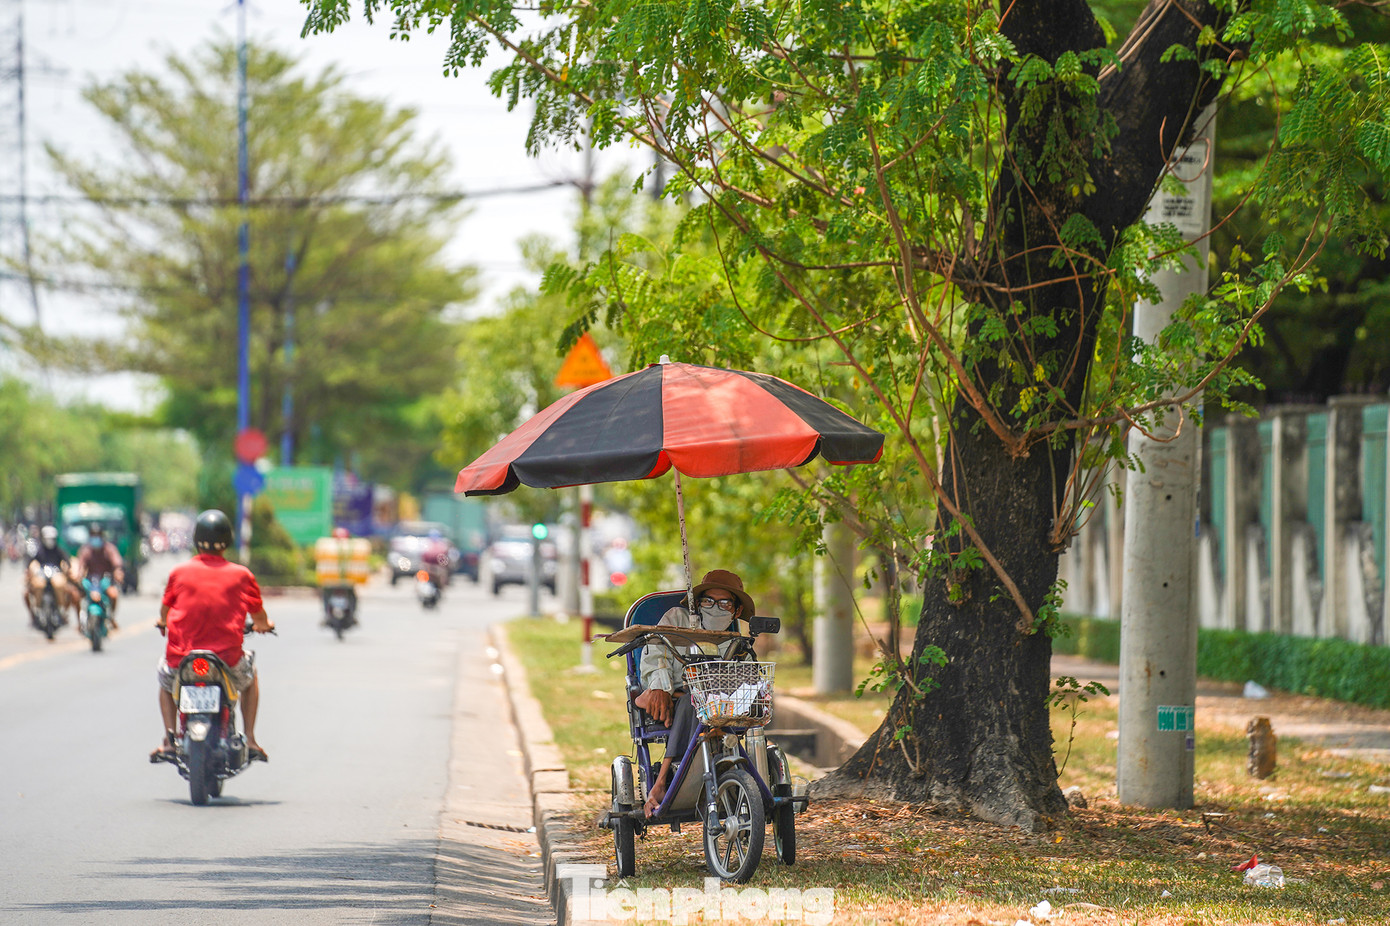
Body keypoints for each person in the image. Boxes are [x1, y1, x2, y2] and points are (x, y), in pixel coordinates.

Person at [151, 509, 275, 763]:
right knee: (250, 680)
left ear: (196, 540)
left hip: (182, 660)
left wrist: (163, 622)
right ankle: (250, 738)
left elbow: (165, 610)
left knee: (165, 682)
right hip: (227, 660)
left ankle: (169, 737)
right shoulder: (242, 575)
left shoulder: (179, 572)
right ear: (227, 541)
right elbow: (259, 616)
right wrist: (264, 625)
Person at [632, 568, 754, 818]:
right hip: (679, 698)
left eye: (724, 603)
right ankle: (663, 780)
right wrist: (659, 689)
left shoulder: (736, 636)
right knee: (691, 701)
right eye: (709, 601)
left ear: (737, 609)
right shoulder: (676, 617)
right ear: (698, 602)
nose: (715, 607)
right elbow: (654, 655)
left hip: (719, 704)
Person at [74, 523, 124, 630]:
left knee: (114, 595)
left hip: (105, 580)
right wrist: (78, 575)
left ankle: (111, 618)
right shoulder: (86, 550)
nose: (95, 538)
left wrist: (118, 572)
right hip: (90, 581)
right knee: (75, 596)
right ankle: (79, 622)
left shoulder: (109, 549)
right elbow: (81, 565)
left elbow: (117, 563)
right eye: (93, 535)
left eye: (98, 535)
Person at [24, 525, 77, 626]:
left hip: (56, 574)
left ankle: (62, 610)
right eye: (47, 538)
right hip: (42, 575)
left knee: (64, 588)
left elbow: (67, 560)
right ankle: (37, 609)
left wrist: (68, 569)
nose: (49, 541)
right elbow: (31, 561)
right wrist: (29, 571)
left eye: (51, 538)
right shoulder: (39, 550)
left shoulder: (59, 550)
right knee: (33, 589)